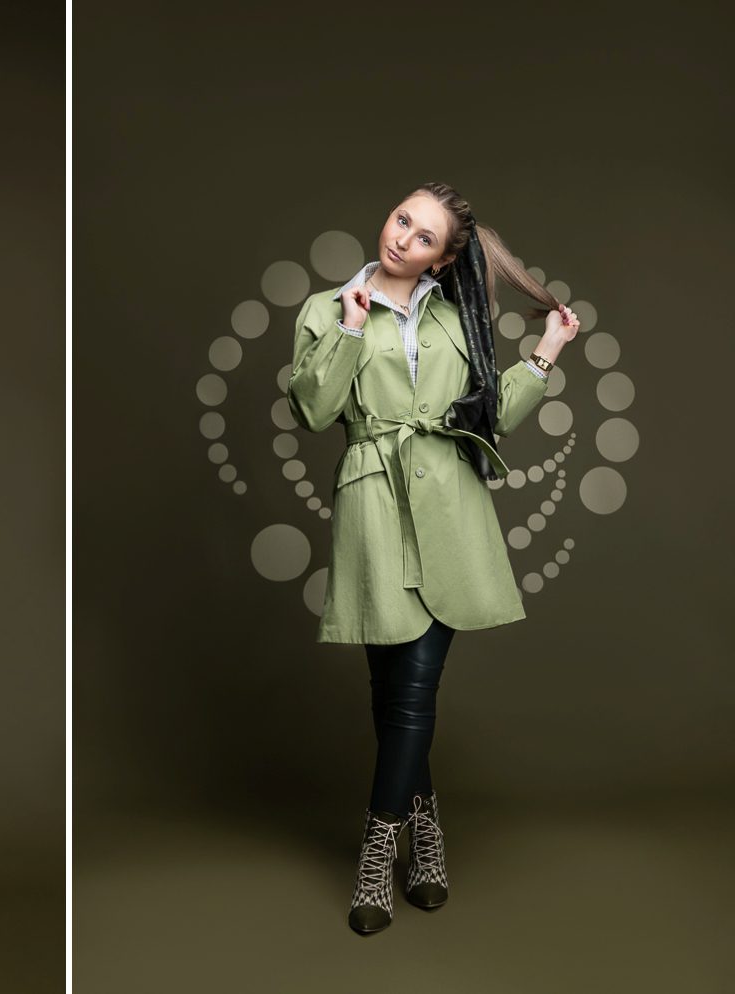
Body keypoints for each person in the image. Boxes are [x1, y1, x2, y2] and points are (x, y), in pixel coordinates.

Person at [284, 182, 582, 934]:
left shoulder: (457, 319)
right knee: (390, 693)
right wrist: (351, 328)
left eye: (423, 237)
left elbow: (492, 415)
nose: (402, 238)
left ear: (442, 259)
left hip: (450, 508)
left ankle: (376, 856)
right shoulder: (327, 309)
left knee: (414, 691)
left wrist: (546, 352)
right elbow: (313, 410)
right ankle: (427, 831)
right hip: (373, 507)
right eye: (402, 219)